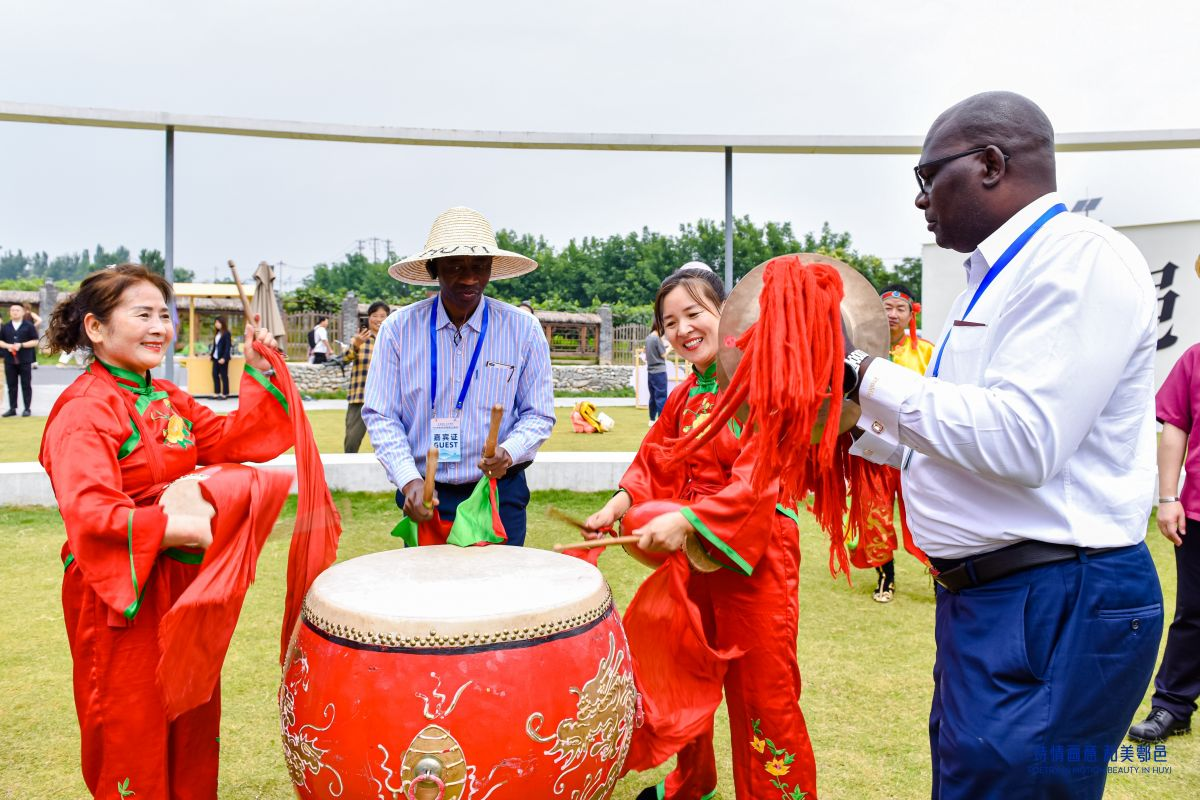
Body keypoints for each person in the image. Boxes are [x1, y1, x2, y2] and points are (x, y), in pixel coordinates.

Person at [843, 91, 1162, 799]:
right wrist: (857, 435)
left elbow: (1022, 441)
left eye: (928, 179)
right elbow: (970, 439)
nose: (921, 202)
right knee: (975, 782)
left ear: (990, 164)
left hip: (1053, 593)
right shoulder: (998, 277)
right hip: (1003, 597)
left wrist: (862, 373)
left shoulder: (1079, 261)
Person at [38, 264, 293, 798]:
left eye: (164, 314)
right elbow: (90, 511)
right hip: (120, 594)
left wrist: (260, 369)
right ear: (96, 328)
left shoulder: (167, 399)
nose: (159, 327)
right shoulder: (86, 408)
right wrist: (174, 526)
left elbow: (233, 439)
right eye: (142, 314)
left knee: (189, 716)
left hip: (180, 588)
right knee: (132, 726)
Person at [585, 267, 815, 800]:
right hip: (694, 558)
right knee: (686, 671)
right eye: (670, 323)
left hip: (756, 560)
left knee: (764, 695)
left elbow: (757, 480)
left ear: (725, 313)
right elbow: (654, 459)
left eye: (694, 313)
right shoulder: (686, 394)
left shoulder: (759, 385)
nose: (682, 330)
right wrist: (617, 503)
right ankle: (693, 784)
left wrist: (688, 519)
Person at [363, 206, 555, 547]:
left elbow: (538, 415)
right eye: (455, 266)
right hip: (425, 495)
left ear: (491, 268)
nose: (469, 278)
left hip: (497, 493)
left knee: (501, 597)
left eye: (479, 266)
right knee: (429, 597)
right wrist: (409, 482)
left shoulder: (523, 330)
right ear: (433, 268)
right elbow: (381, 416)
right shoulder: (398, 330)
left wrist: (508, 453)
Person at [1128, 342, 1200, 743]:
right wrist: (1168, 498)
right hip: (1199, 507)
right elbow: (1176, 428)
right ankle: (1172, 706)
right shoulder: (1195, 358)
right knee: (1194, 612)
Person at [849, 283, 933, 602]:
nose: (893, 314)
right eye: (887, 308)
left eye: (901, 309)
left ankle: (940, 573)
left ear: (912, 313)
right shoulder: (863, 352)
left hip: (918, 447)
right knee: (875, 514)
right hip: (874, 444)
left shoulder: (927, 351)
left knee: (925, 511)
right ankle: (886, 577)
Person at [344, 300, 390, 453]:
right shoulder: (359, 339)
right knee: (352, 439)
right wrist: (356, 345)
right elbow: (344, 360)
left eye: (383, 316)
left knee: (388, 440)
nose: (378, 319)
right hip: (360, 397)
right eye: (375, 315)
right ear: (369, 318)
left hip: (384, 399)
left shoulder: (391, 338)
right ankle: (348, 473)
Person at [3, 302, 39, 416]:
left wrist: (21, 345)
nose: (15, 312)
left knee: (26, 384)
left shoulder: (29, 326)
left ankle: (27, 408)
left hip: (24, 360)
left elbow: (35, 341)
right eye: (12, 310)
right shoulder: (5, 326)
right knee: (11, 385)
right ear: (9, 313)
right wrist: (9, 346)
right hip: (9, 360)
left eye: (17, 310)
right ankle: (12, 408)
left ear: (23, 312)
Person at [644, 326, 668, 426]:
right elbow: (663, 355)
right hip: (660, 371)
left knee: (653, 396)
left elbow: (646, 356)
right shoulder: (656, 339)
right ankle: (662, 420)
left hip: (650, 371)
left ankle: (652, 419)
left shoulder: (648, 338)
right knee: (661, 396)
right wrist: (671, 347)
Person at [209, 315, 231, 399]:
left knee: (224, 375)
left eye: (218, 322)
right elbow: (215, 346)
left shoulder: (226, 333)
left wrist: (224, 358)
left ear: (222, 323)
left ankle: (225, 393)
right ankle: (217, 392)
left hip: (222, 358)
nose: (216, 324)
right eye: (215, 322)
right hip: (216, 357)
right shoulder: (217, 333)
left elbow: (228, 347)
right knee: (214, 374)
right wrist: (211, 355)